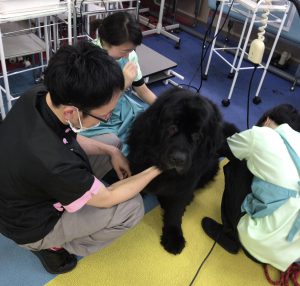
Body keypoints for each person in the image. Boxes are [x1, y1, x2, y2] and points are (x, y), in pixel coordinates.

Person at [0, 41, 162, 274]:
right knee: (131, 208)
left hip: (21, 187)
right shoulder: (55, 164)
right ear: (71, 112)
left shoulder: (37, 96)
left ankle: (88, 187)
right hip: (30, 226)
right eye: (105, 115)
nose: (107, 117)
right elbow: (108, 198)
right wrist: (158, 168)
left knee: (111, 142)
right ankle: (54, 246)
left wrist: (112, 152)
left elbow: (66, 139)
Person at [201, 104, 300, 271]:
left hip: (255, 245)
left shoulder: (261, 134)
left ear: (267, 120)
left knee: (239, 161)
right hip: (288, 255)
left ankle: (230, 235)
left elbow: (221, 148)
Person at [80, 12, 156, 155]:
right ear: (105, 43)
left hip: (123, 108)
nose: (128, 55)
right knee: (120, 145)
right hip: (97, 115)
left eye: (132, 50)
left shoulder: (130, 55)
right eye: (125, 51)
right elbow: (97, 104)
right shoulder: (89, 58)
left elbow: (142, 90)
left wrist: (164, 105)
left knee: (149, 127)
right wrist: (124, 84)